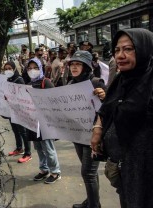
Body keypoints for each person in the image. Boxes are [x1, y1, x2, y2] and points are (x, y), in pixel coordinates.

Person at [91, 28, 153, 208]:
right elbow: (107, 108)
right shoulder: (120, 80)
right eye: (117, 50)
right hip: (123, 169)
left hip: (146, 172)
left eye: (128, 49)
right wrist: (98, 129)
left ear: (144, 49)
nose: (120, 55)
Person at [68, 51, 106, 208]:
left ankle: (93, 205)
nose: (74, 67)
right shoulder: (70, 84)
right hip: (77, 134)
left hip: (93, 136)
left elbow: (110, 106)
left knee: (88, 173)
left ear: (86, 67)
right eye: (72, 64)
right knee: (90, 173)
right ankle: (91, 201)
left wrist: (104, 96)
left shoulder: (97, 83)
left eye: (78, 64)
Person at [23, 58, 62, 184]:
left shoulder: (46, 83)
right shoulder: (28, 84)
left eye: (35, 67)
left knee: (48, 148)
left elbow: (55, 101)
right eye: (29, 68)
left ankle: (55, 172)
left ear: (40, 68)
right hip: (33, 122)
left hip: (45, 122)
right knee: (39, 148)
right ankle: (44, 170)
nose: (32, 70)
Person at [3, 61, 32, 163]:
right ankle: (19, 148)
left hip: (20, 110)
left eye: (9, 68)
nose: (7, 70)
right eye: (5, 69)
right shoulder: (8, 80)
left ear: (14, 69)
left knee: (23, 131)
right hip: (12, 109)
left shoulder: (19, 80)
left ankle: (28, 153)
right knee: (15, 130)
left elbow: (22, 95)